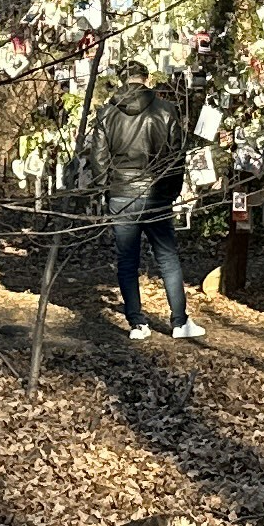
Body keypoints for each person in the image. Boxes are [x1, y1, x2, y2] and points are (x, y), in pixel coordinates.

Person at [93, 71, 206, 341]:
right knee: (167, 258)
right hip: (156, 193)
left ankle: (137, 324)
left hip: (121, 193)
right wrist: (172, 192)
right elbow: (176, 156)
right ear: (148, 80)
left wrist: (104, 189)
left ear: (124, 80)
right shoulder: (166, 110)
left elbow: (98, 158)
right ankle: (179, 321)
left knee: (127, 261)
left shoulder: (107, 113)